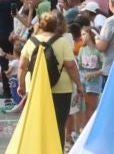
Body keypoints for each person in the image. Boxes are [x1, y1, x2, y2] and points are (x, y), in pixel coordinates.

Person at [18, 11, 76, 140]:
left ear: (40, 25)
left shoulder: (31, 41)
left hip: (35, 86)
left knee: (37, 122)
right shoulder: (62, 42)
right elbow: (71, 65)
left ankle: (37, 149)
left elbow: (22, 66)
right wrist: (79, 84)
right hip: (61, 88)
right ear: (56, 25)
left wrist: (21, 85)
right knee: (58, 124)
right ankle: (57, 151)